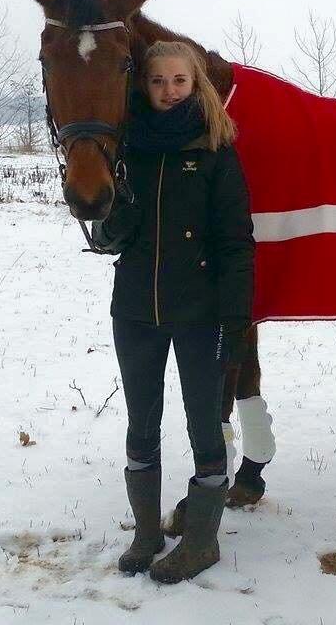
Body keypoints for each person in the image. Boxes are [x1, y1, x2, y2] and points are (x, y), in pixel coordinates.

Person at [91, 40, 255, 583]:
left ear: (196, 83)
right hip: (134, 310)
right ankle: (146, 533)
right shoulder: (126, 148)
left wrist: (236, 318)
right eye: (158, 80)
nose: (169, 90)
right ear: (144, 85)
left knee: (205, 426)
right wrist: (110, 219)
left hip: (200, 314)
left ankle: (202, 542)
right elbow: (107, 236)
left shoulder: (215, 148)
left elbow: (236, 241)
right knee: (141, 424)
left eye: (179, 80)